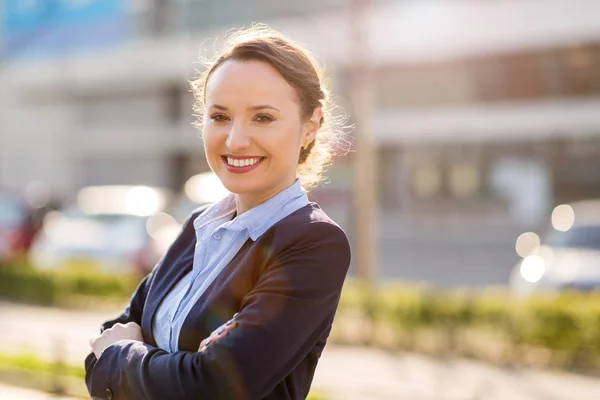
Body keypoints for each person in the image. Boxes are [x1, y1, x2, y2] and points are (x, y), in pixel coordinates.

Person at [85, 25, 351, 400]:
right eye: (220, 116)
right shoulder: (199, 227)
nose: (236, 140)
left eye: (263, 117)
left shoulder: (313, 243)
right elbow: (98, 353)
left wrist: (124, 354)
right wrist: (171, 365)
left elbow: (212, 386)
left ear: (310, 125)